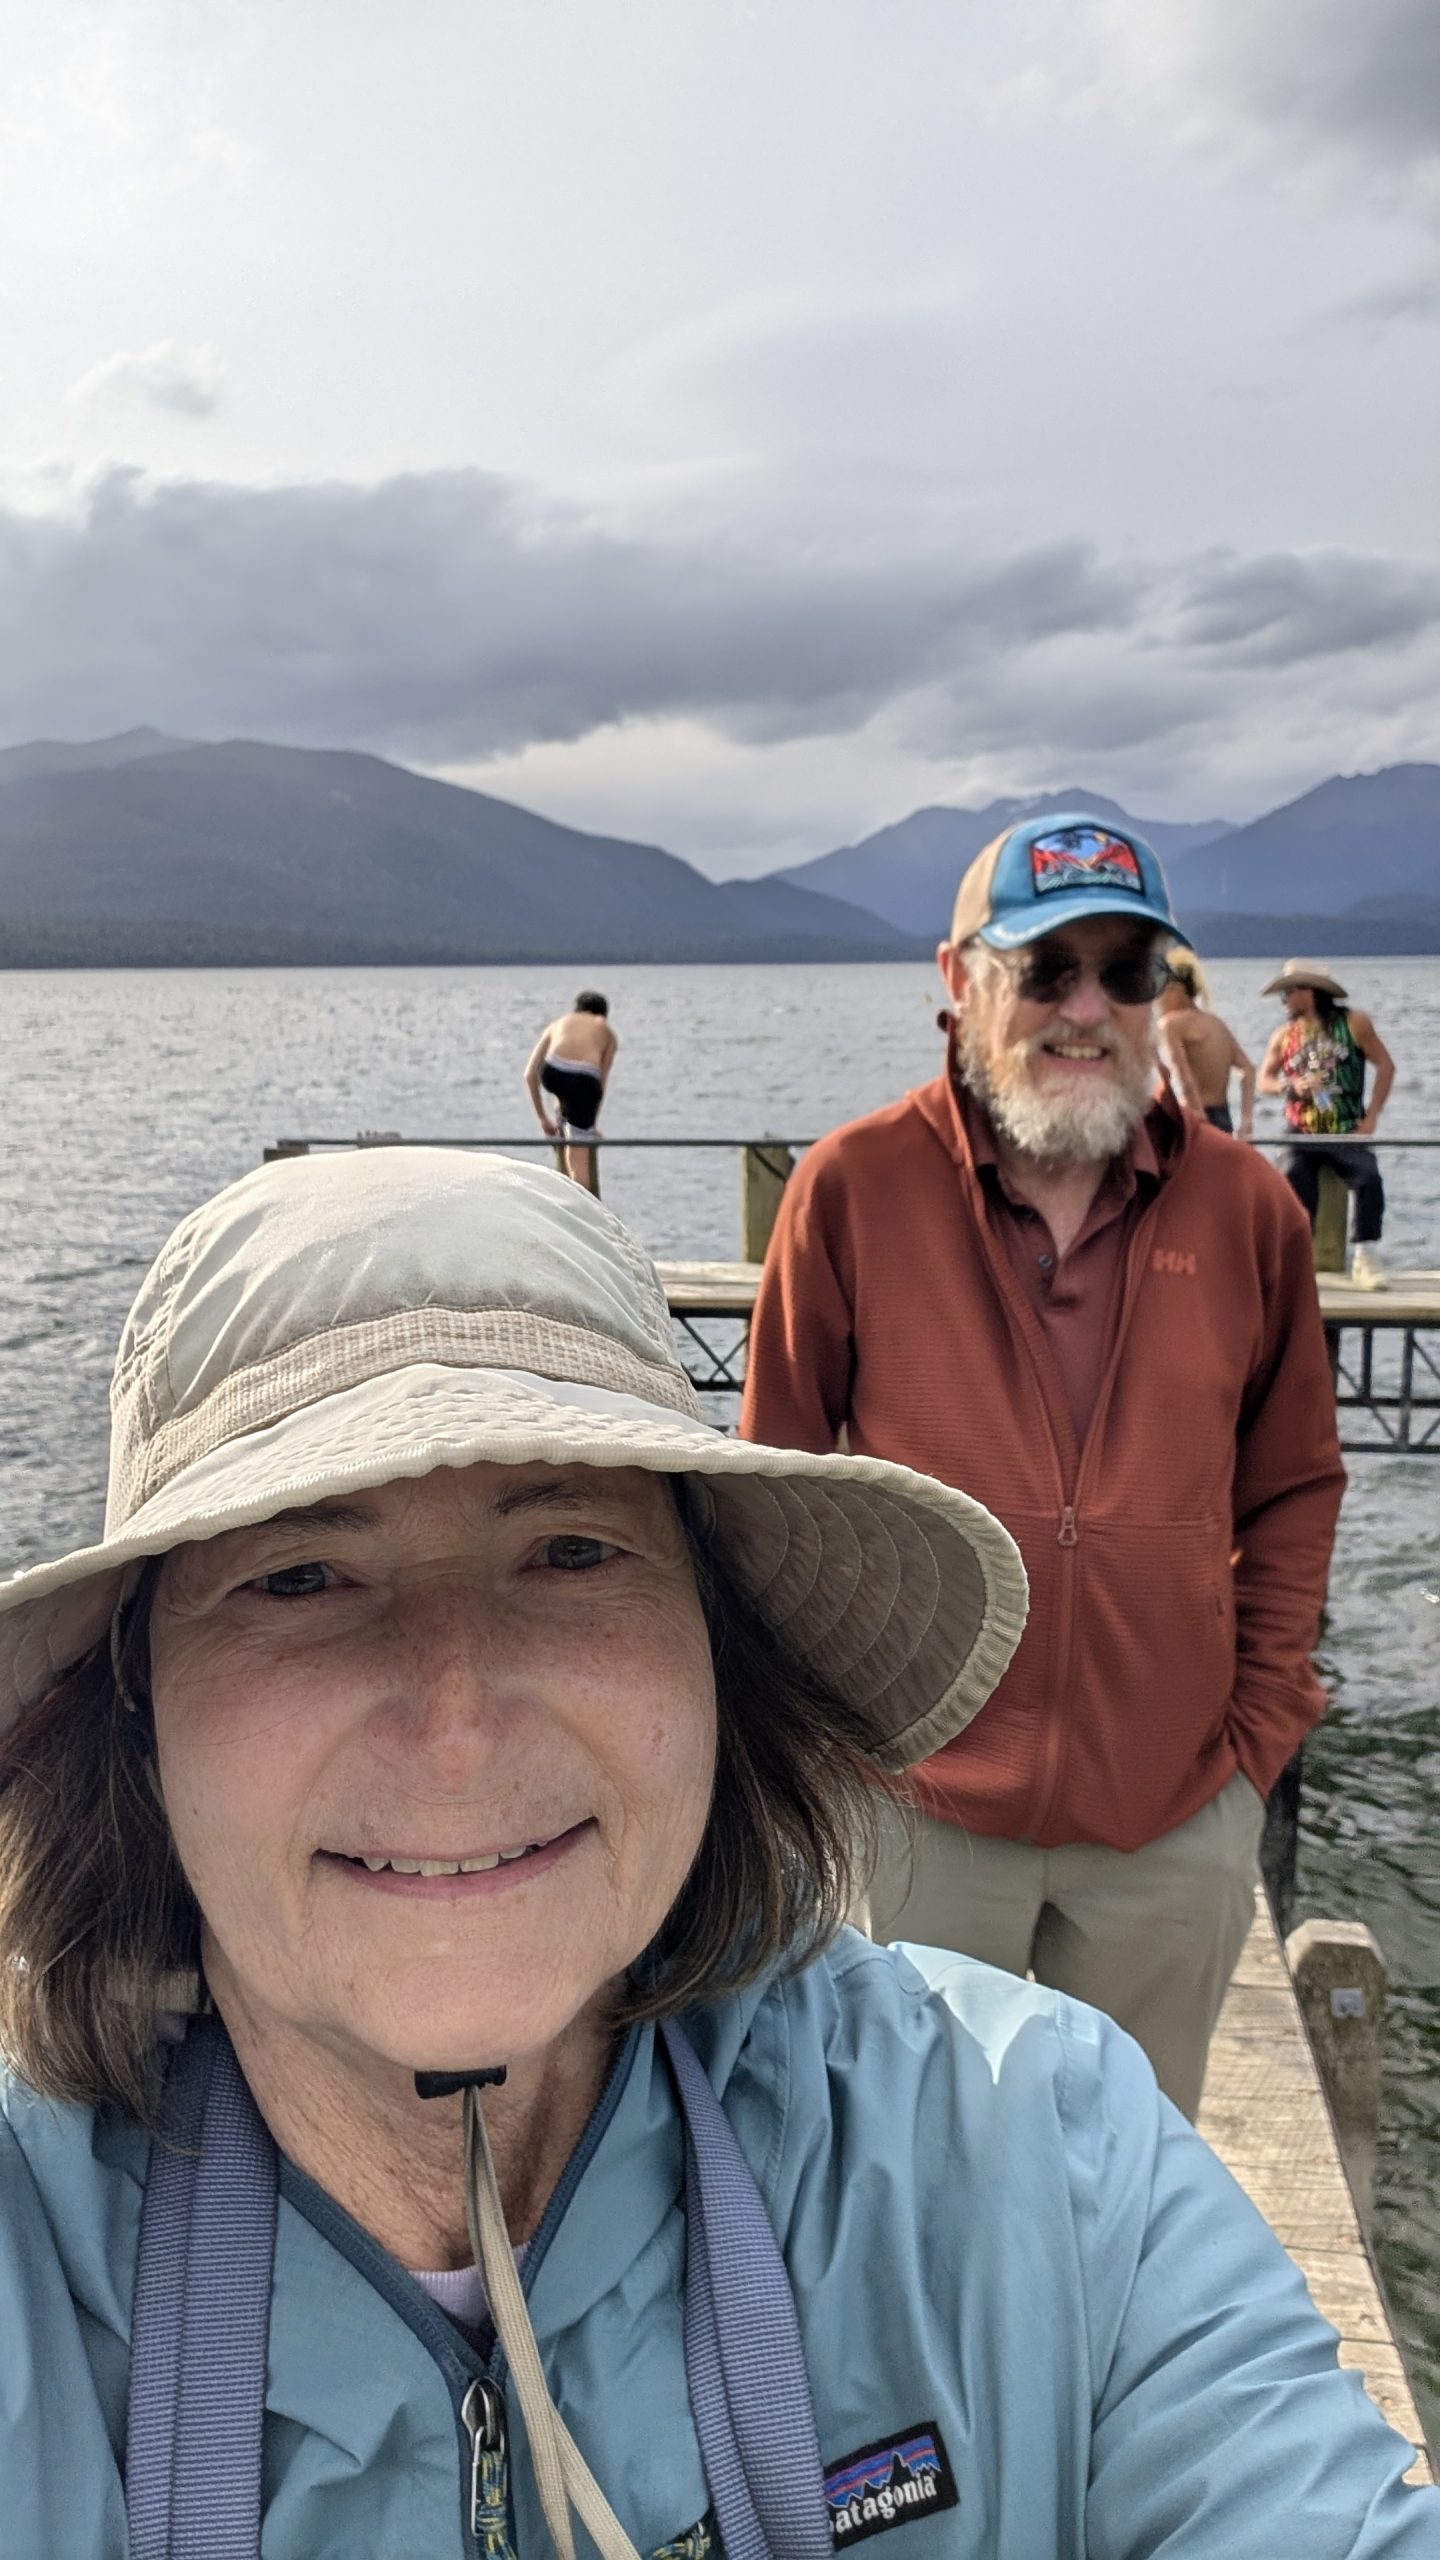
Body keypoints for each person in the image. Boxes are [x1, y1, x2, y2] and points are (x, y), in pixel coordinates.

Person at [2, 1148, 1433, 2555]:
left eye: (572, 1551)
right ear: (134, 1699)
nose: (456, 1729)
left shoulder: (1044, 2162)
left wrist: (1256, 1719)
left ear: (713, 1644)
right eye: (299, 1576)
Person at [741, 813, 1346, 2123]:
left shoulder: (1251, 1211)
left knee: (1125, 2181)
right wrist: (823, 1761)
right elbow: (773, 1493)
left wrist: (1256, 1740)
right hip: (913, 1815)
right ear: (959, 981)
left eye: (1126, 972)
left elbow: (1294, 1483)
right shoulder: (849, 1189)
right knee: (905, 2169)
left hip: (1171, 1822)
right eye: (1045, 969)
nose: (1086, 1009)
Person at [1257, 960, 1396, 1290]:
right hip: (1301, 1131)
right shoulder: (1284, 1036)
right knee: (1289, 1182)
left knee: (1369, 1178)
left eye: (1288, 992)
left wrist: (1372, 1116)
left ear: (1310, 992)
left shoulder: (1354, 1023)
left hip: (1345, 1128)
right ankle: (1295, 1260)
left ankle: (1365, 1255)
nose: (1284, 1001)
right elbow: (1264, 1079)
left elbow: (1386, 1066)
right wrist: (1290, 1086)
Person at [524, 988, 617, 1194]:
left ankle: (562, 1120)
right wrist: (590, 1125)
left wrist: (542, 1118)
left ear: (577, 1010)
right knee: (579, 1158)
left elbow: (530, 1074)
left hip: (552, 1071)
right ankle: (582, 1203)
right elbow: (598, 1086)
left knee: (566, 1099)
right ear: (603, 1015)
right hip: (583, 1078)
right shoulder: (606, 1031)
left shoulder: (558, 1024)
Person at [1156, 946, 1256, 1136]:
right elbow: (1248, 1069)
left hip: (1194, 1118)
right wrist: (1246, 1120)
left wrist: (1197, 1114)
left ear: (1176, 990)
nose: (1157, 1000)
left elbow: (1183, 1077)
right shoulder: (1216, 1023)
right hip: (1223, 1119)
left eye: (1161, 991)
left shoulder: (1171, 1024)